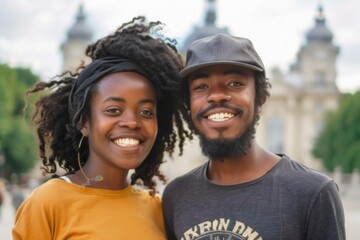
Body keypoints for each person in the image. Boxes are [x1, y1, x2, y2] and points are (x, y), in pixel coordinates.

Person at [13, 16, 190, 239]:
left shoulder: (158, 209)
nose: (132, 122)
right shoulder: (48, 203)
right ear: (84, 122)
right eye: (113, 110)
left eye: (146, 112)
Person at [162, 33, 345, 240]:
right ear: (189, 106)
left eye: (234, 83)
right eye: (201, 87)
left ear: (261, 100)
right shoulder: (175, 196)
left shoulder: (314, 193)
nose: (217, 95)